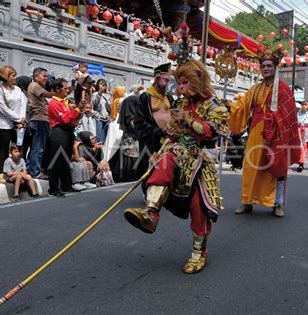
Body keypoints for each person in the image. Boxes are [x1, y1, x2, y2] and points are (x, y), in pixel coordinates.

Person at [123, 60, 229, 274]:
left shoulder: (216, 105)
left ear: (198, 80)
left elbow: (212, 131)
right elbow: (171, 134)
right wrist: (161, 149)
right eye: (178, 83)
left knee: (199, 208)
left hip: (202, 159)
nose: (179, 87)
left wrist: (189, 120)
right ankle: (151, 213)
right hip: (179, 153)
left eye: (184, 82)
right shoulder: (180, 104)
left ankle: (199, 252)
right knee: (163, 163)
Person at [228, 49, 301, 217]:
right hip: (255, 134)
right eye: (263, 66)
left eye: (269, 65)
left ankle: (277, 204)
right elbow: (243, 106)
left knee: (276, 169)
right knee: (251, 168)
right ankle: (247, 201)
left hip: (276, 135)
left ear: (275, 67)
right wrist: (230, 107)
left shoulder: (283, 90)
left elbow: (288, 116)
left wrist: (272, 121)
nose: (266, 68)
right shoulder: (255, 89)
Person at [134, 63, 174, 178]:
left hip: (168, 140)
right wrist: (158, 131)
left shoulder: (169, 98)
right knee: (151, 172)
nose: (168, 84)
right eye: (166, 80)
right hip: (152, 142)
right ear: (157, 79)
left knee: (168, 171)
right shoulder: (145, 97)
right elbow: (139, 122)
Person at [0, 66, 28, 184]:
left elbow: (23, 103)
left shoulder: (17, 89)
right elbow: (2, 108)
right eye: (13, 75)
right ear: (6, 76)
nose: (15, 77)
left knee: (18, 147)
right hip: (4, 123)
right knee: (4, 148)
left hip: (18, 124)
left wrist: (21, 119)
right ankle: (1, 173)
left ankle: (19, 172)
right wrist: (18, 118)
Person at [46, 79, 80, 197]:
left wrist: (77, 111)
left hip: (68, 131)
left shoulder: (64, 102)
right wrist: (76, 110)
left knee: (66, 160)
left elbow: (72, 119)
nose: (68, 91)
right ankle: (54, 188)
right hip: (59, 132)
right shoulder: (54, 103)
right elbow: (65, 119)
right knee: (57, 160)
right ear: (57, 90)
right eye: (65, 89)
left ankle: (66, 184)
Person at [27, 67, 58, 178]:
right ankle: (35, 172)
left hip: (41, 120)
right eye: (44, 76)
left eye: (46, 76)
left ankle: (32, 169)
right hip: (39, 119)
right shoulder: (35, 85)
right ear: (36, 76)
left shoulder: (37, 86)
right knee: (38, 148)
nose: (46, 78)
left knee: (37, 147)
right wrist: (59, 94)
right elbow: (46, 94)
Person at [296, 101, 308, 172]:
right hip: (298, 131)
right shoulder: (297, 114)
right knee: (298, 148)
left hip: (306, 132)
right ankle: (300, 162)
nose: (304, 106)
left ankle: (301, 164)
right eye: (303, 104)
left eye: (306, 105)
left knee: (304, 148)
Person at [91, 79, 111, 143]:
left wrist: (108, 101)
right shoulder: (95, 94)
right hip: (98, 117)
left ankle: (101, 151)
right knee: (98, 137)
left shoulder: (109, 95)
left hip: (107, 118)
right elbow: (94, 104)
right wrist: (99, 93)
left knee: (105, 138)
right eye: (101, 84)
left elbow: (110, 108)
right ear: (97, 85)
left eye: (104, 84)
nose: (103, 85)